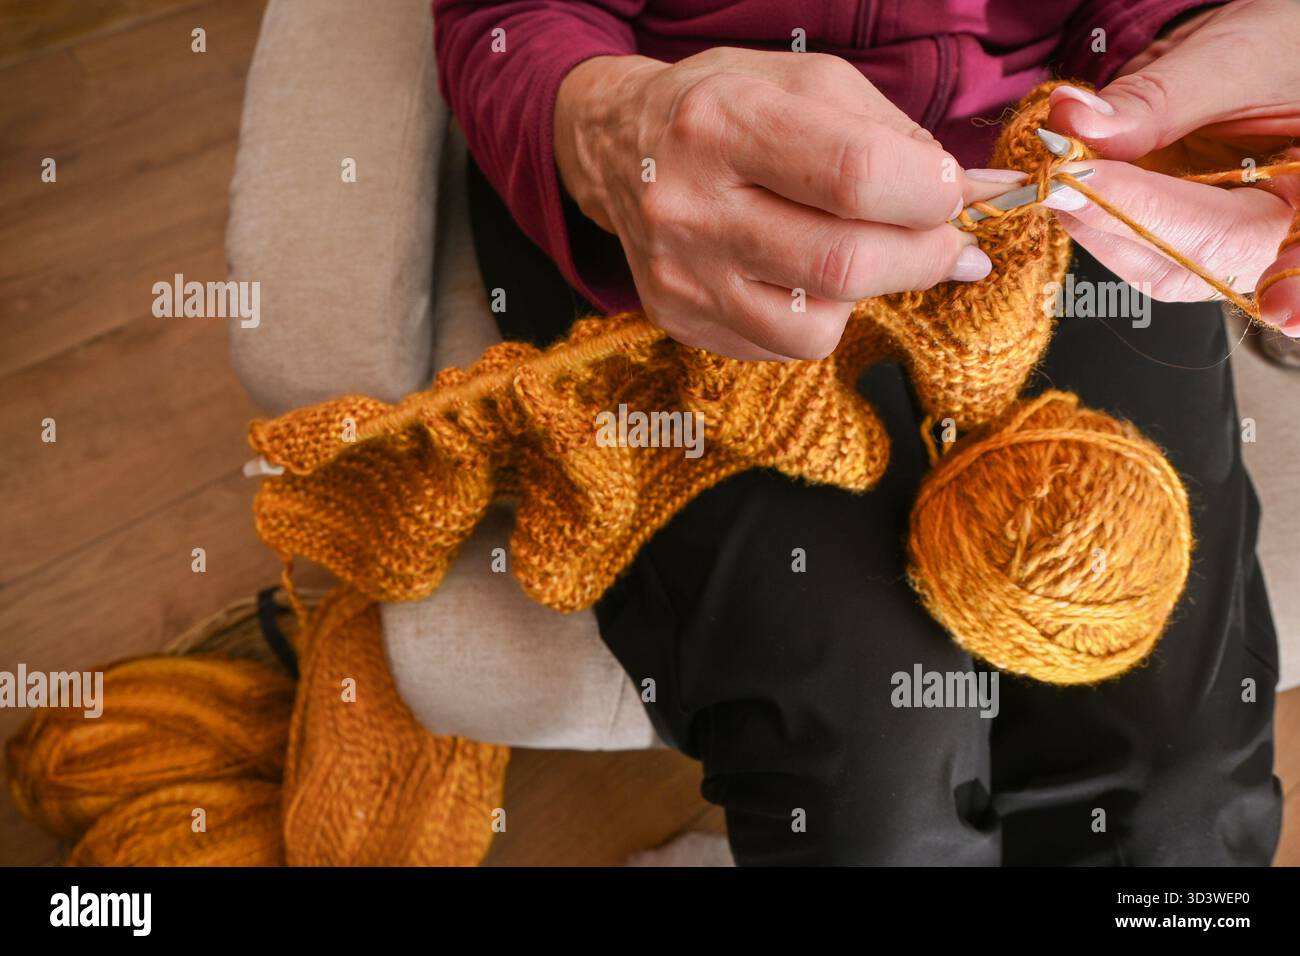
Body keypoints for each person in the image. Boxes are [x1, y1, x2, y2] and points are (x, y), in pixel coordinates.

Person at [432, 0, 1292, 864]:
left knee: (1186, 803)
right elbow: (511, 19)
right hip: (696, 185)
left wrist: (1177, 53)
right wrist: (611, 123)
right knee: (872, 807)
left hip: (1062, 169)